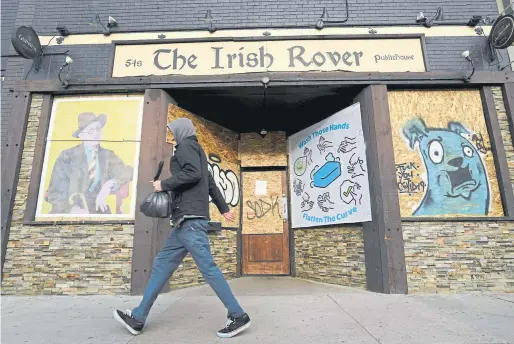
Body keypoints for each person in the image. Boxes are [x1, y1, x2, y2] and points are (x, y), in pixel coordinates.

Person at [113, 118, 251, 338]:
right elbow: (210, 183)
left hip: (190, 219)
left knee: (208, 268)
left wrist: (163, 184)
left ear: (181, 131)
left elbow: (193, 174)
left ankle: (238, 315)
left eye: (172, 131)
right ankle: (138, 317)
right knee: (162, 264)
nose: (172, 135)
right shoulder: (198, 150)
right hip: (183, 222)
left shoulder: (186, 146)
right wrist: (224, 208)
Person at [45, 112, 133, 215]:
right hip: (70, 212)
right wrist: (71, 209)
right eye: (91, 131)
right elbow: (55, 192)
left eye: (98, 129)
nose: (96, 133)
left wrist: (109, 185)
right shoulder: (67, 156)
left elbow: (128, 171)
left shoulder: (107, 155)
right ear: (81, 135)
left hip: (99, 210)